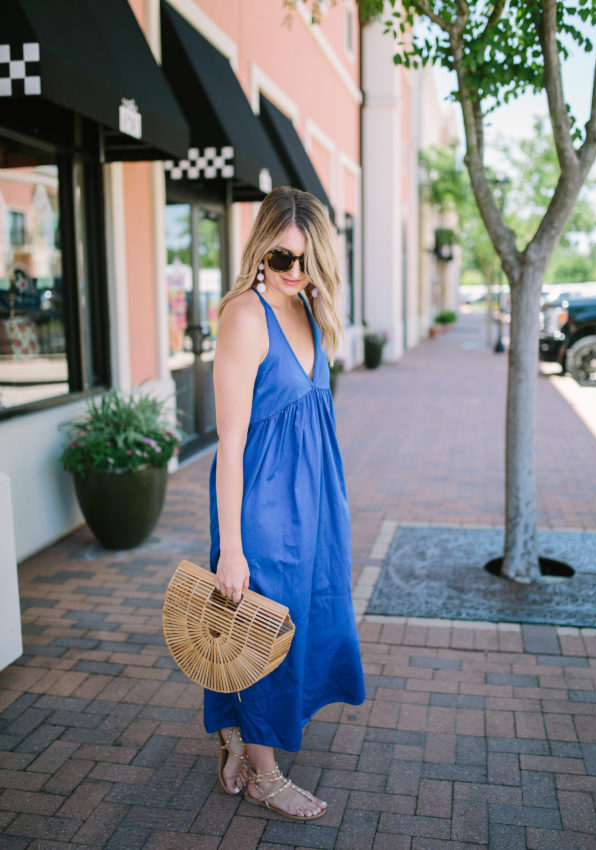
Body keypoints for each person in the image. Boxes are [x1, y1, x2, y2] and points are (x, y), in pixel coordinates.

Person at [204, 186, 365, 821]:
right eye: (279, 257)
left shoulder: (310, 308)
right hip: (264, 505)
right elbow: (231, 439)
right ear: (259, 251)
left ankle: (238, 736)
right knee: (263, 628)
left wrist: (321, 301)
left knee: (306, 624)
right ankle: (266, 774)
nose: (291, 272)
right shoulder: (246, 315)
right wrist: (234, 546)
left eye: (305, 261)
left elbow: (319, 404)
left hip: (316, 500)